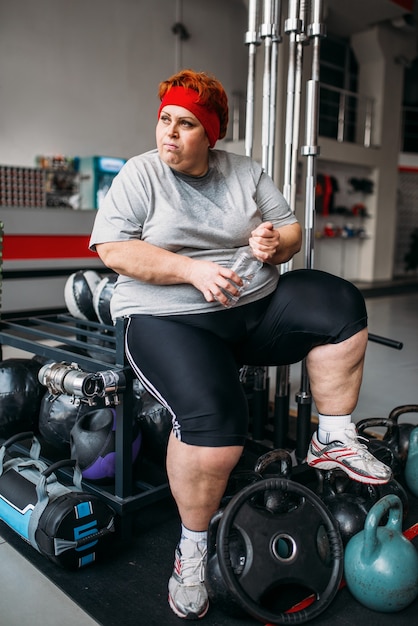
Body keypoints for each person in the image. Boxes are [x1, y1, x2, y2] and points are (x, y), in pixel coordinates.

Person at [89, 69, 391, 621]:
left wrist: (275, 244)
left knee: (339, 305)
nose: (169, 134)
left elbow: (291, 228)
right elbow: (113, 249)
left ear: (211, 134)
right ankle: (192, 551)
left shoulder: (244, 171)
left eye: (185, 124)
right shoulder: (141, 175)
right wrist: (190, 271)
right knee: (219, 425)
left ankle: (333, 438)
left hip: (251, 309)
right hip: (167, 318)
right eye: (165, 120)